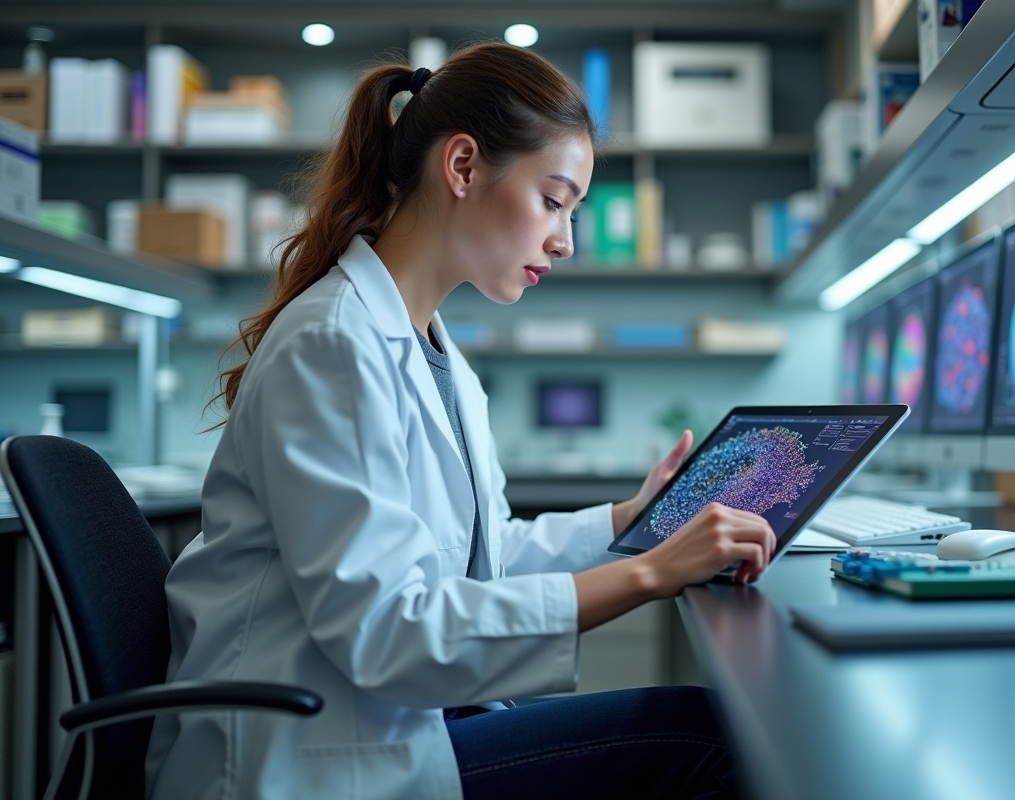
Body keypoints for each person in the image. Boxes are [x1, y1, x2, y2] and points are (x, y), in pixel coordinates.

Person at [145, 42, 775, 800]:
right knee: (711, 739)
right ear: (464, 166)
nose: (566, 240)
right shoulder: (334, 344)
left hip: (403, 725)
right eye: (553, 200)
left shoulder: (433, 349)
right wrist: (647, 574)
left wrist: (628, 522)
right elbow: (389, 631)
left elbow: (475, 560)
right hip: (312, 759)